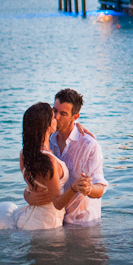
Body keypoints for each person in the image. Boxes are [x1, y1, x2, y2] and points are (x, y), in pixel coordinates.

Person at [0, 102, 79, 230]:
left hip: (29, 217)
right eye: (54, 117)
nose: (57, 118)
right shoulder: (49, 161)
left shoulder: (25, 154)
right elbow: (58, 203)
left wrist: (27, 195)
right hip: (46, 224)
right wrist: (74, 188)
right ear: (48, 125)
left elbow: (33, 187)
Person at [24, 89, 108, 225]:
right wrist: (28, 196)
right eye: (54, 111)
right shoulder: (47, 140)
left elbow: (101, 188)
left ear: (75, 117)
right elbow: (35, 181)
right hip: (55, 222)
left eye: (63, 114)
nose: (56, 117)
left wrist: (88, 188)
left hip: (82, 223)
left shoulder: (89, 145)